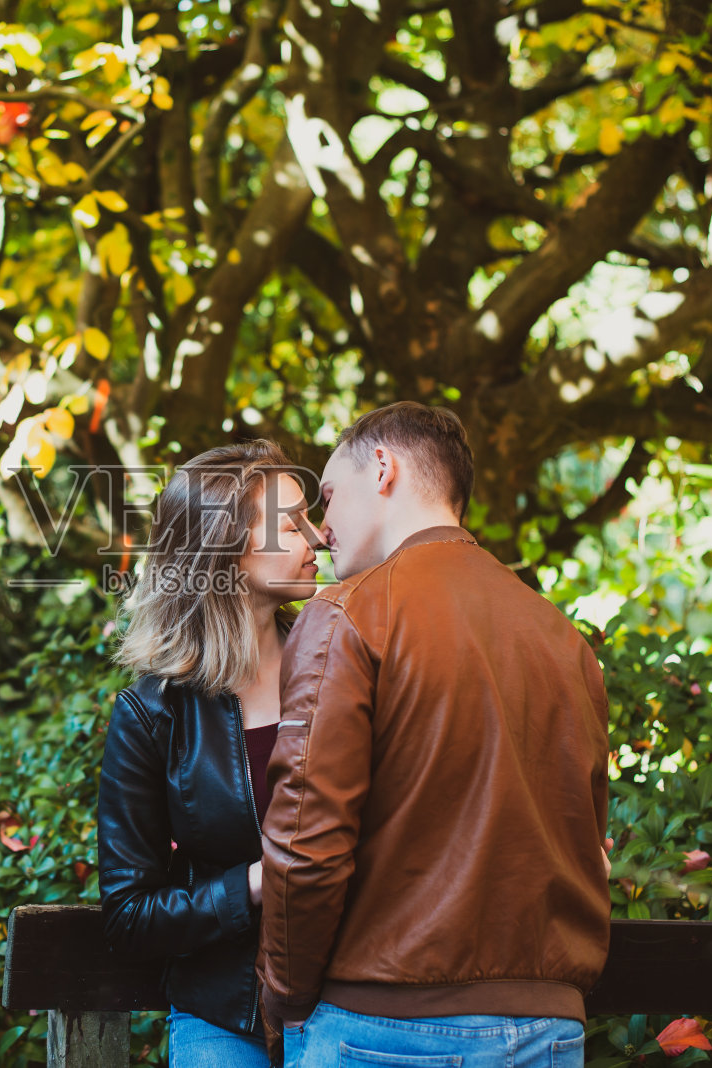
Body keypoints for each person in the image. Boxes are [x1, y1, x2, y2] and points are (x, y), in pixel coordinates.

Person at [259, 401, 612, 1068]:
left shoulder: (347, 613)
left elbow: (307, 838)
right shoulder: (563, 638)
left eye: (328, 496)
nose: (324, 528)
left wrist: (285, 997)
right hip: (548, 1029)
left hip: (384, 1026)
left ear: (384, 469)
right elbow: (587, 842)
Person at [97, 440, 326, 1066]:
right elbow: (128, 915)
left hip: (349, 1002)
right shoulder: (151, 714)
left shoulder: (343, 671)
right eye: (292, 523)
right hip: (225, 1014)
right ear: (227, 547)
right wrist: (256, 881)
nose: (320, 537)